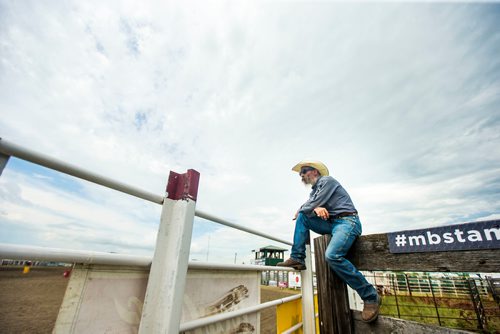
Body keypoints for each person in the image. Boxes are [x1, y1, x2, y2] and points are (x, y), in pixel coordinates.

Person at [277, 160, 381, 323]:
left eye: (304, 171)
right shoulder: (314, 191)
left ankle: (370, 296)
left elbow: (309, 205)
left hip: (347, 221)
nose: (302, 176)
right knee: (304, 217)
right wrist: (314, 208)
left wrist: (310, 207)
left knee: (332, 255)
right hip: (333, 224)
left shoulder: (327, 181)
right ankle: (297, 257)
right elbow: (310, 205)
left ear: (315, 172)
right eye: (300, 174)